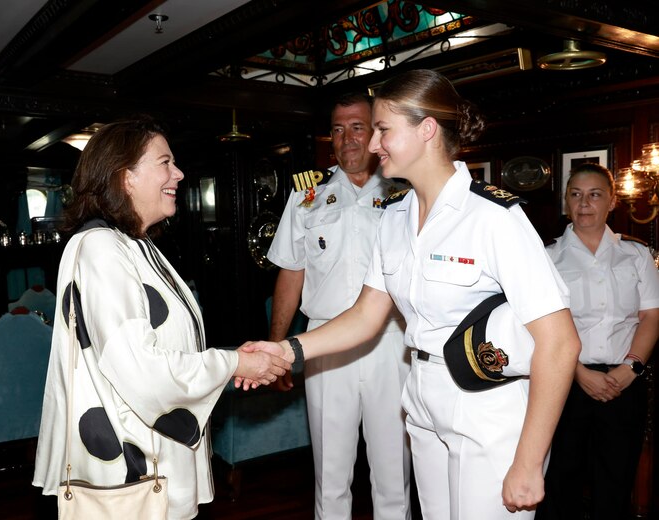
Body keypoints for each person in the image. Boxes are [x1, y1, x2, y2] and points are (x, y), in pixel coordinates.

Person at [239, 69, 581, 520]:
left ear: (426, 130)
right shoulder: (396, 216)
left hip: (486, 405)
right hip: (421, 396)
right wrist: (284, 350)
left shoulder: (493, 216)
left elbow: (560, 343)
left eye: (382, 129)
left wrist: (530, 460)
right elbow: (366, 315)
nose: (372, 144)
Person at [32, 118, 290, 520]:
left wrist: (233, 359)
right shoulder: (102, 248)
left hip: (151, 453)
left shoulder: (134, 244)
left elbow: (166, 345)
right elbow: (141, 369)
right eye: (165, 162)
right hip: (133, 464)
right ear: (126, 177)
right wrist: (233, 363)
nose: (179, 173)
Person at [266, 92, 413, 520]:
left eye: (357, 127)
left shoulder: (404, 191)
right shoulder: (307, 195)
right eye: (337, 129)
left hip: (391, 341)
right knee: (330, 473)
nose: (347, 138)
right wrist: (278, 349)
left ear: (376, 133)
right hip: (325, 342)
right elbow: (291, 272)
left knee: (394, 472)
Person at [539, 163, 659, 520]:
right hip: (564, 383)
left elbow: (651, 316)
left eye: (594, 195)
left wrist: (630, 368)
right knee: (560, 482)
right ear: (565, 201)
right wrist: (577, 372)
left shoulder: (635, 254)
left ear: (612, 201)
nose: (584, 204)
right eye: (575, 195)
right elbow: (541, 325)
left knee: (616, 483)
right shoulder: (547, 256)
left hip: (625, 382)